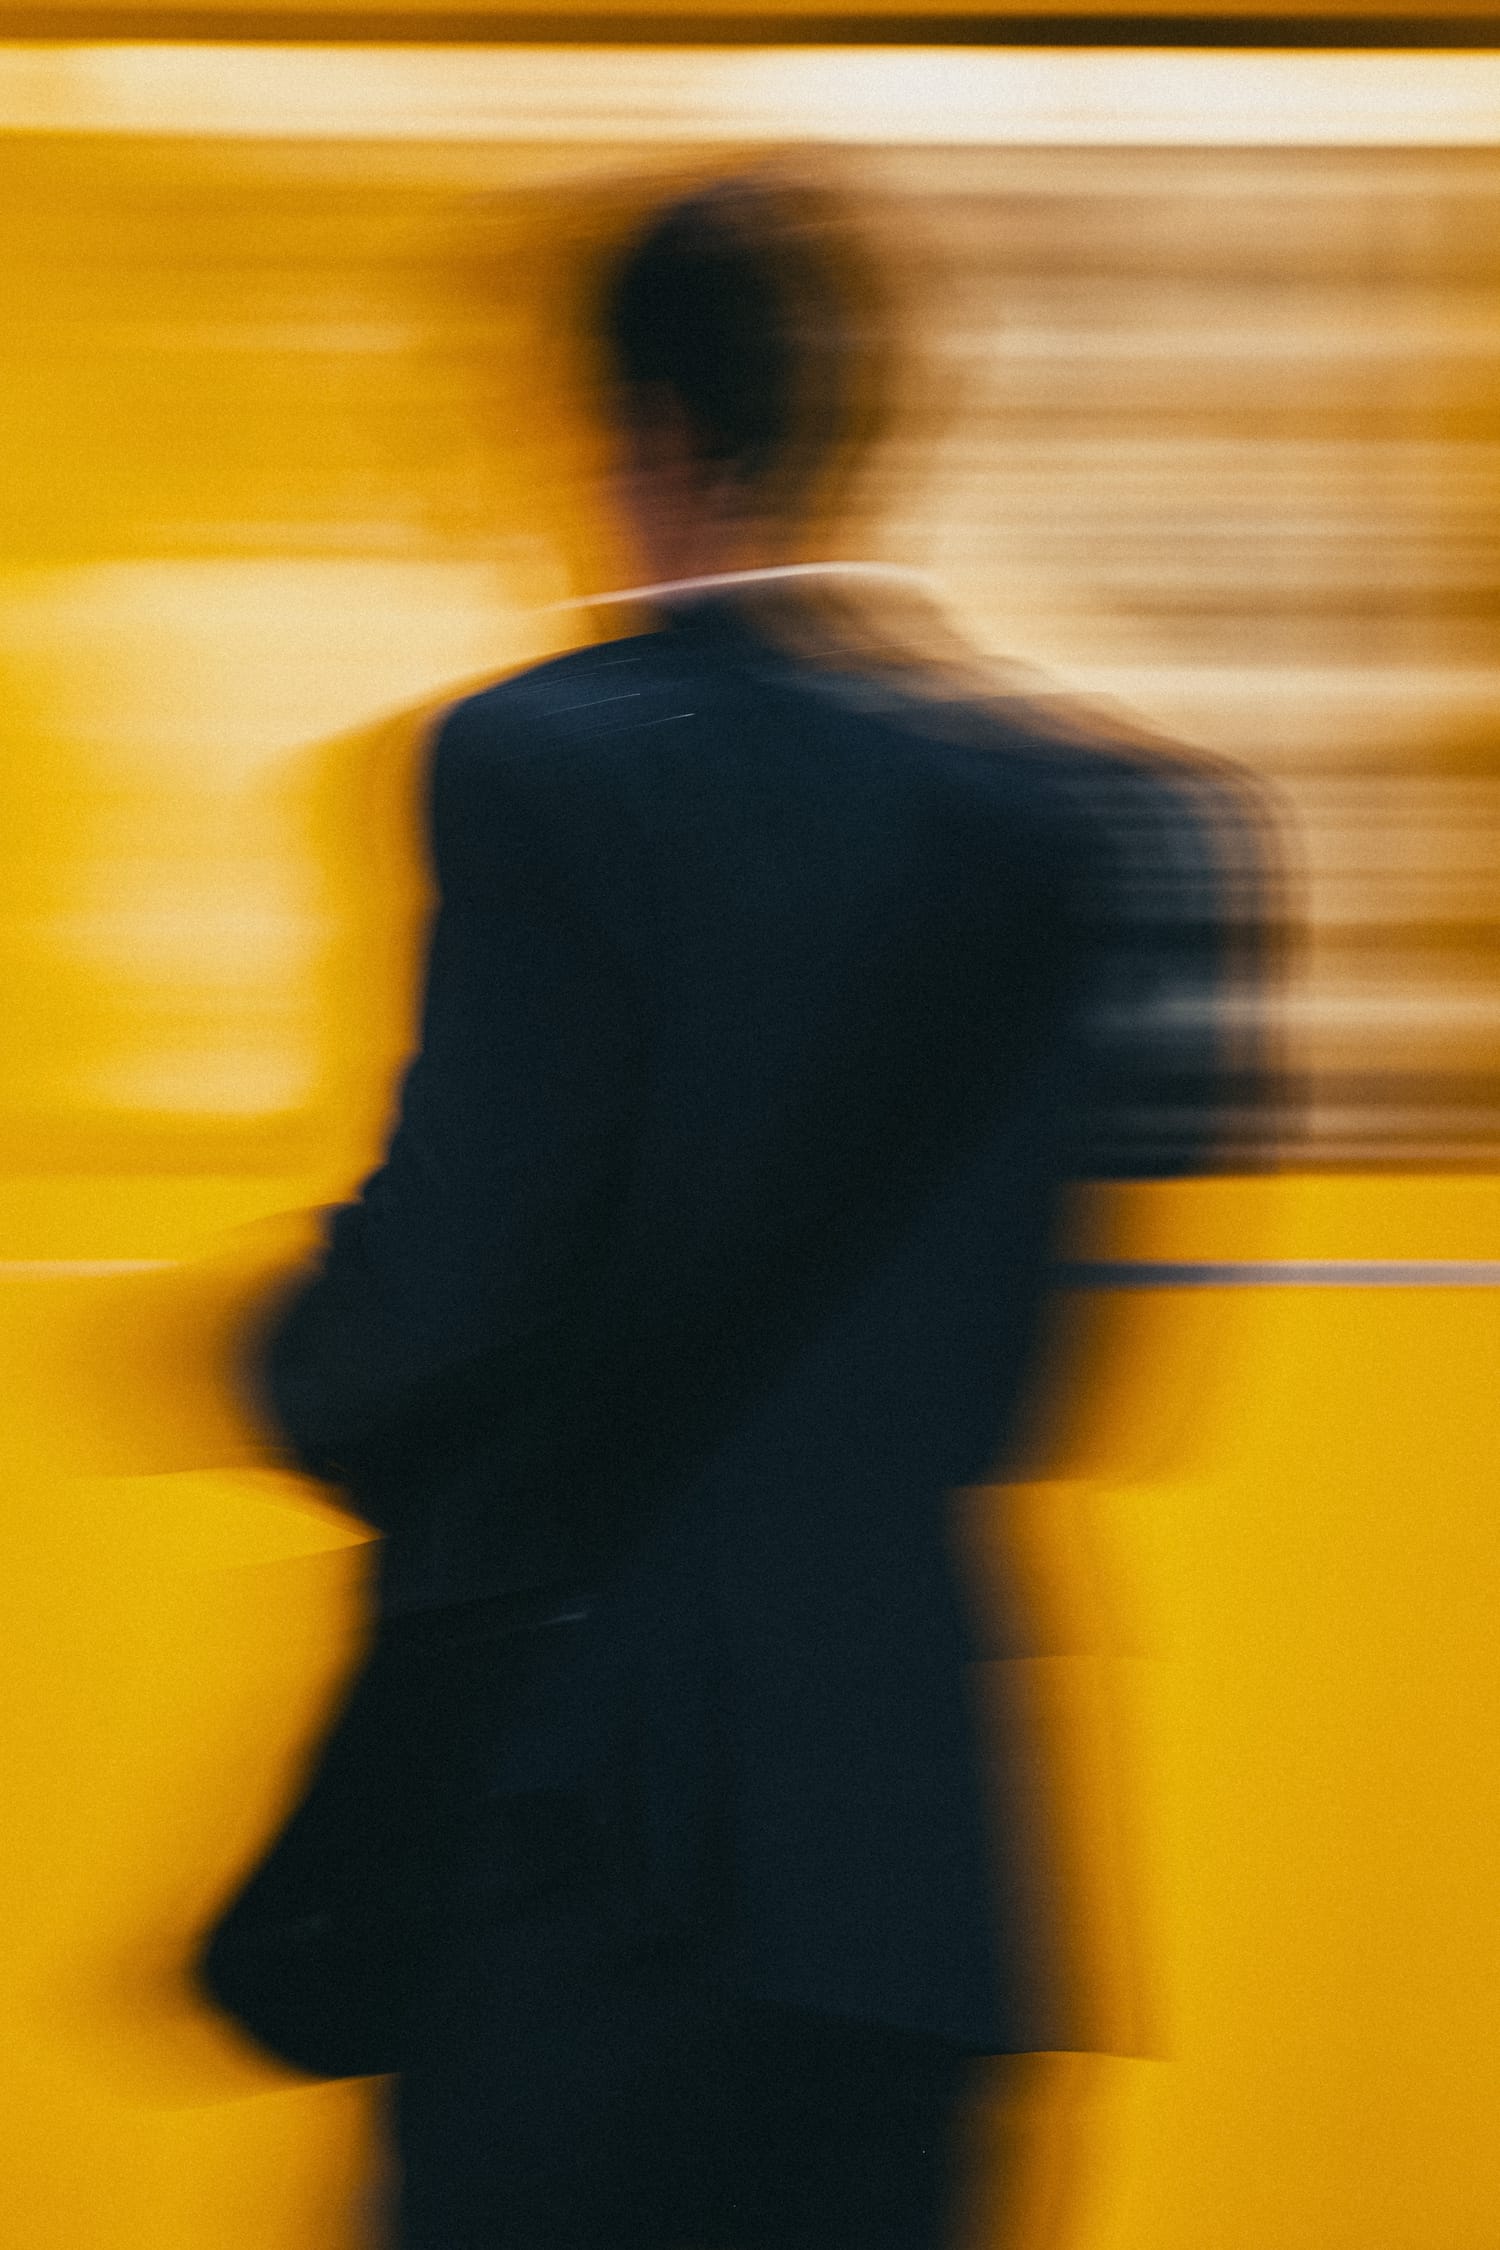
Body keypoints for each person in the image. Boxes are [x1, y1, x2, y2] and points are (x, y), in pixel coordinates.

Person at [214, 175, 1265, 2249]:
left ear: (640, 436)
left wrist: (277, 1360)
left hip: (585, 1851)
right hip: (919, 1867)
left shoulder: (533, 768)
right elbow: (1069, 1384)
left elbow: (437, 1306)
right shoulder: (1122, 825)